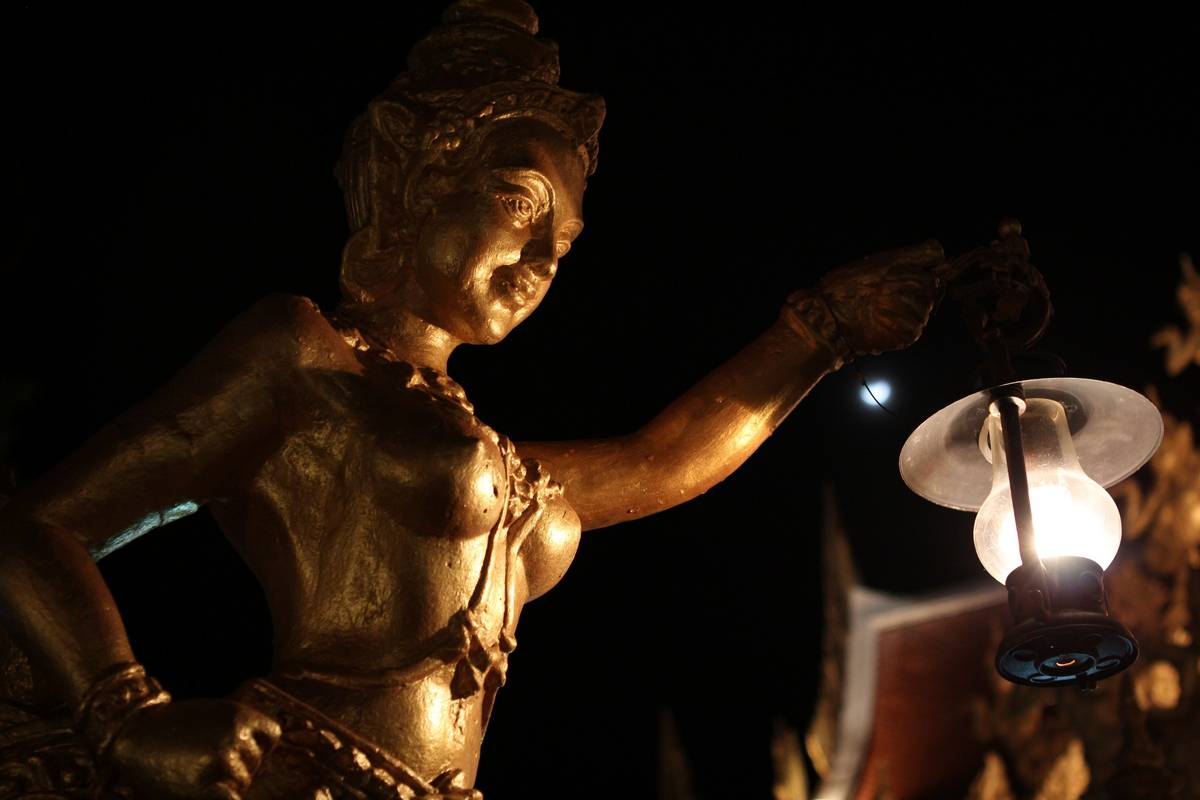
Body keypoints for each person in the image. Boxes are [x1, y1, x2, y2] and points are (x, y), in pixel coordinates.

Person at [0, 2, 942, 798]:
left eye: (563, 245)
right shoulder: (302, 357)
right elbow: (37, 527)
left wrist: (825, 331)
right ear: (417, 181)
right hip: (302, 772)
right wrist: (126, 715)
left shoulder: (495, 455)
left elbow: (660, 461)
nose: (540, 262)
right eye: (520, 204)